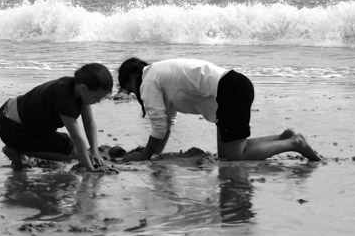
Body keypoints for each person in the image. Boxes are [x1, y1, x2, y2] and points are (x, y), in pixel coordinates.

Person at [117, 57, 321, 163]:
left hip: (229, 91)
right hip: (231, 87)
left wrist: (144, 157)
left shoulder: (147, 82)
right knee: (225, 154)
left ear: (133, 77)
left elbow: (159, 127)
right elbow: (167, 122)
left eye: (130, 90)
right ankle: (281, 137)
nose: (135, 95)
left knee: (237, 156)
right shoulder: (156, 74)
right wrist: (154, 154)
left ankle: (294, 143)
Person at [0, 63, 113, 170]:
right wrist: (90, 169)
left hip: (18, 119)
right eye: (97, 97)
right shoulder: (64, 97)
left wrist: (94, 151)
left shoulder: (77, 88)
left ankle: (20, 147)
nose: (98, 101)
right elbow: (77, 138)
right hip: (10, 126)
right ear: (83, 88)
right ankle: (15, 149)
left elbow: (89, 122)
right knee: (72, 152)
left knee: (71, 146)